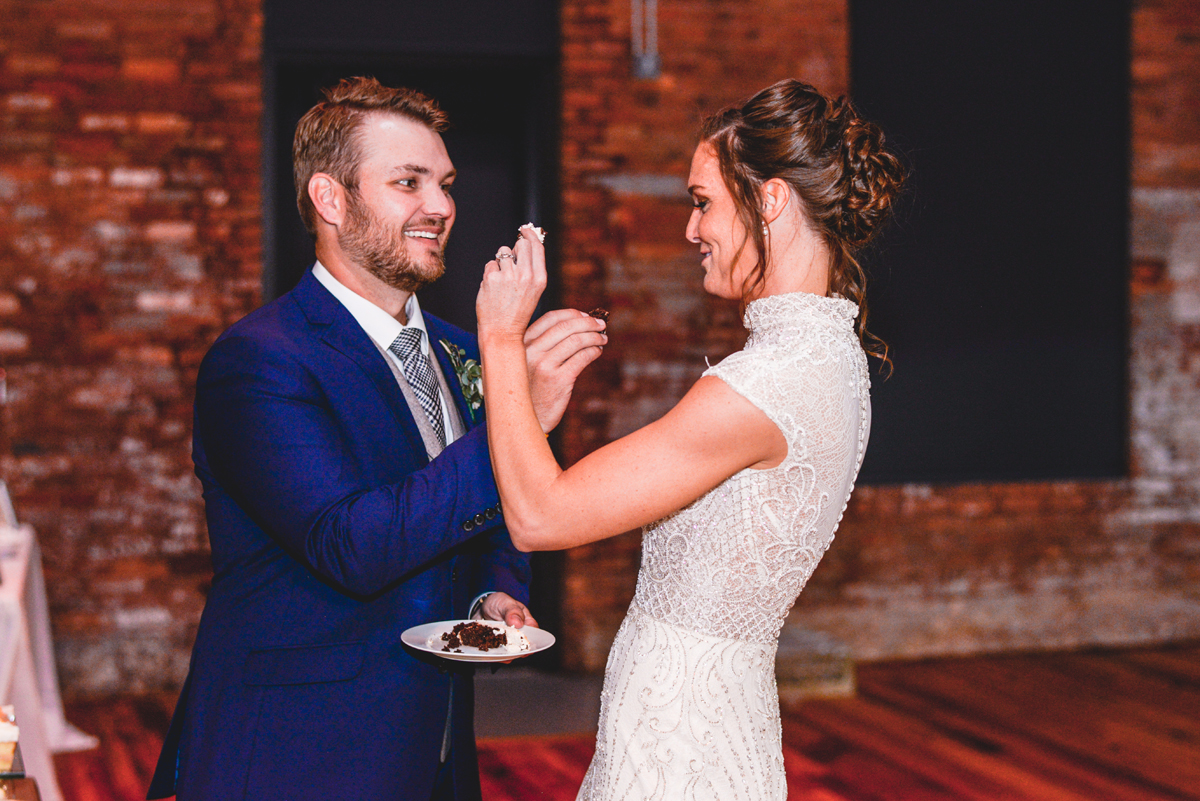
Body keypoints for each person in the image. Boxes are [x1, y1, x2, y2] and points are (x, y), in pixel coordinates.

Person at [146, 77, 605, 801]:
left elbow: (490, 506)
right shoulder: (261, 360)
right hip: (296, 755)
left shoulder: (463, 350)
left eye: (445, 183)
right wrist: (514, 420)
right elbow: (350, 545)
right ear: (331, 199)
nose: (443, 205)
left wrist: (495, 589)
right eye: (408, 181)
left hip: (438, 749)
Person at [475, 79, 905, 800]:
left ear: (769, 200)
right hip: (719, 711)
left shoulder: (765, 384)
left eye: (703, 201)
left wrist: (499, 336)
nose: (691, 229)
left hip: (680, 736)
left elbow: (539, 515)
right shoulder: (833, 360)